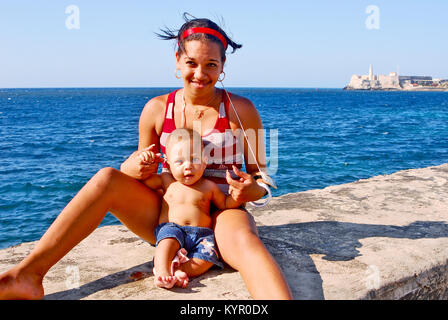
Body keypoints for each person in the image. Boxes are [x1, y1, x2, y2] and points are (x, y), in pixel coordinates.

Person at [0, 13, 293, 300]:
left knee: (245, 242)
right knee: (106, 177)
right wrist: (131, 168)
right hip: (172, 216)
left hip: (223, 211)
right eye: (191, 63)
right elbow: (143, 171)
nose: (200, 74)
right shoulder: (156, 110)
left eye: (211, 65)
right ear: (178, 60)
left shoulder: (241, 110)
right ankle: (27, 276)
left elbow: (261, 176)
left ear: (223, 66)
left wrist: (252, 190)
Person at [145, 128, 243, 289]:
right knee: (166, 243)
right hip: (173, 228)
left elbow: (224, 204)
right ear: (168, 163)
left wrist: (236, 197)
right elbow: (143, 181)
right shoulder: (166, 180)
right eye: (179, 162)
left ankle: (178, 270)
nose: (188, 167)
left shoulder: (208, 186)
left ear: (204, 162)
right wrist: (146, 161)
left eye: (194, 160)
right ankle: (162, 271)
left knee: (207, 258)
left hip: (201, 235)